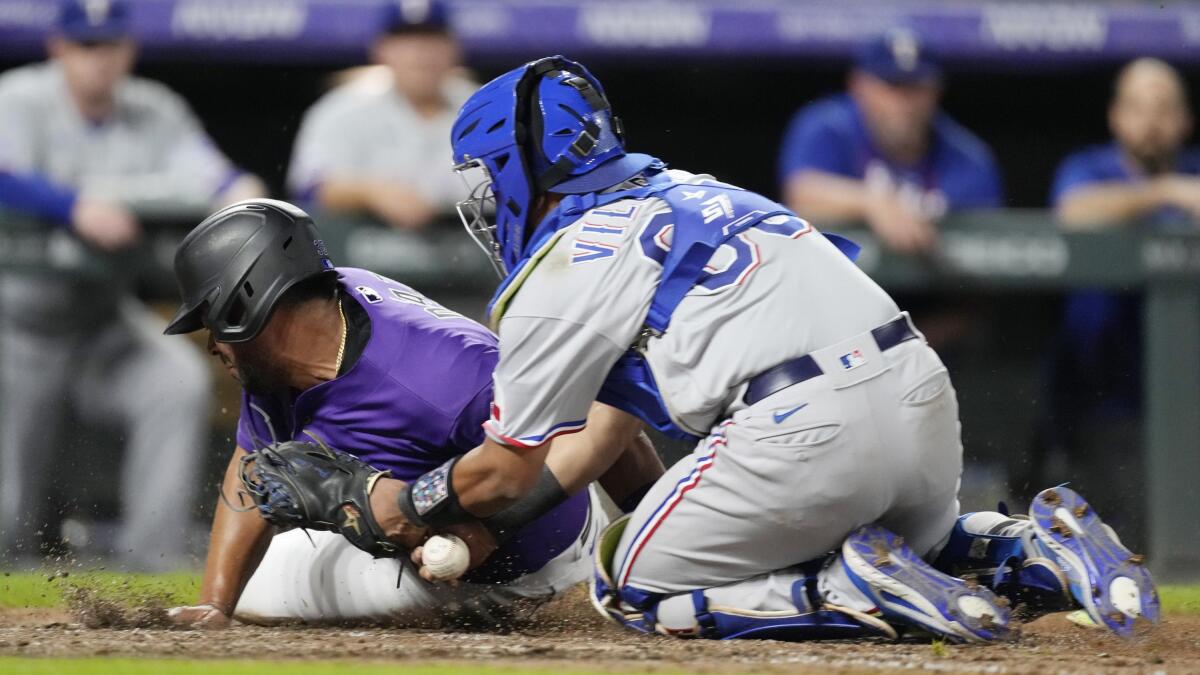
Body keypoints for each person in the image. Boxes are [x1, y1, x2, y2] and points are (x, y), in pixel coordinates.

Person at [234, 57, 1158, 641]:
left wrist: (393, 498)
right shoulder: (700, 189)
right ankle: (1033, 547)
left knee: (625, 588)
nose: (483, 207)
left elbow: (510, 475)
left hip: (799, 426)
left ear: (517, 171)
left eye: (487, 185)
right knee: (932, 540)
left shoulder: (563, 265)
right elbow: (599, 432)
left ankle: (848, 589)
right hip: (918, 394)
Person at [162, 199, 658, 627]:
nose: (212, 344)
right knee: (250, 569)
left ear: (246, 305)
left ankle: (566, 591)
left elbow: (607, 420)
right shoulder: (283, 352)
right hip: (432, 549)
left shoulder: (444, 373)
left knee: (269, 587)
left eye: (211, 320)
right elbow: (253, 468)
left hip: (531, 558)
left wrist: (654, 538)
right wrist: (213, 603)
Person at [0, 0, 263, 570]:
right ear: (58, 49)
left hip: (102, 322)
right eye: (85, 47)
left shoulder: (154, 108)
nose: (99, 60)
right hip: (16, 322)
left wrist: (242, 193)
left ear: (129, 50)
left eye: (109, 46)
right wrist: (71, 206)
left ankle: (154, 561)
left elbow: (216, 175)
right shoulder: (19, 98)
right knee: (10, 511)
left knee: (176, 382)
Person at [1028, 58, 1200, 545]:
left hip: (1185, 394)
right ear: (1116, 116)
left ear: (1185, 120)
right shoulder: (1089, 168)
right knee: (1122, 539)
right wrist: (1166, 192)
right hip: (1101, 395)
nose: (1151, 122)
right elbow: (1074, 211)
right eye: (1138, 107)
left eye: (1165, 108)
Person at [778, 28, 1002, 254]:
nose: (904, 102)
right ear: (859, 86)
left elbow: (984, 247)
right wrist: (871, 203)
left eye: (915, 87)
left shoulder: (967, 156)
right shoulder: (828, 125)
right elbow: (801, 194)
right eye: (892, 85)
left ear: (936, 90)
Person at [286, 0, 474, 230]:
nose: (420, 53)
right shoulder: (342, 109)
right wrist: (370, 192)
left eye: (431, 38)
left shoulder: (483, 108)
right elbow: (307, 190)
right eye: (406, 39)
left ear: (454, 47)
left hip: (476, 252)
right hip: (364, 253)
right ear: (380, 48)